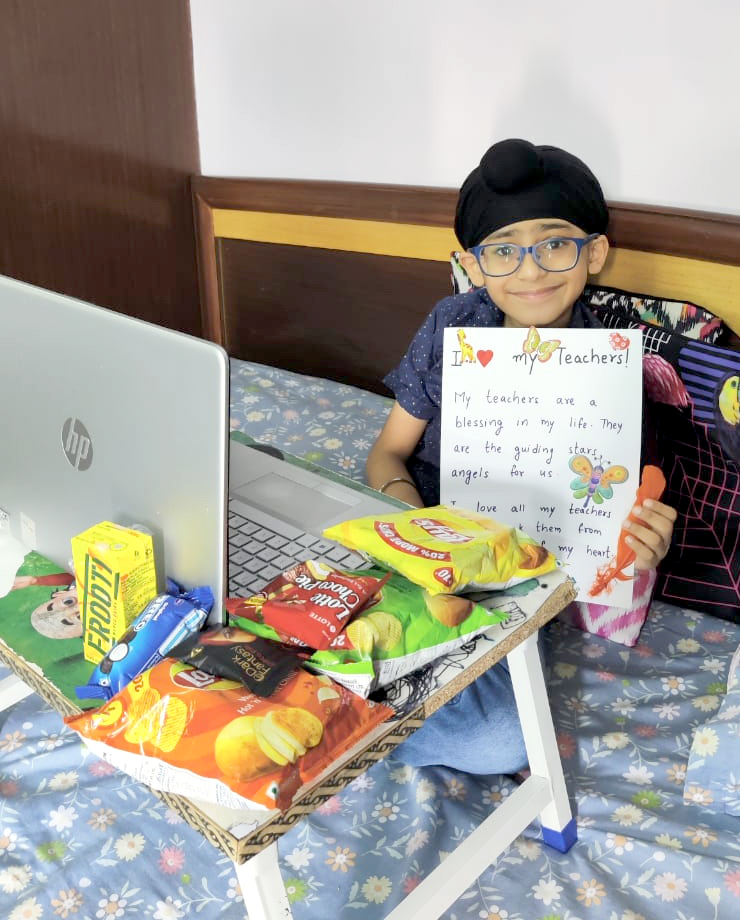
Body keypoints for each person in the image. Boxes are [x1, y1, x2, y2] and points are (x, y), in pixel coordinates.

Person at [366, 138, 677, 775]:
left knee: (503, 742)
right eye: (503, 250)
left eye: (554, 243)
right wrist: (418, 529)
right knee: (331, 606)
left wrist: (644, 544)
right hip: (422, 542)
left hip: (521, 584)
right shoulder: (454, 324)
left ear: (594, 251)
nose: (530, 271)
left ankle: (344, 724)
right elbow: (387, 455)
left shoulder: (615, 366)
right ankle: (335, 693)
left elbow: (615, 514)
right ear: (473, 265)